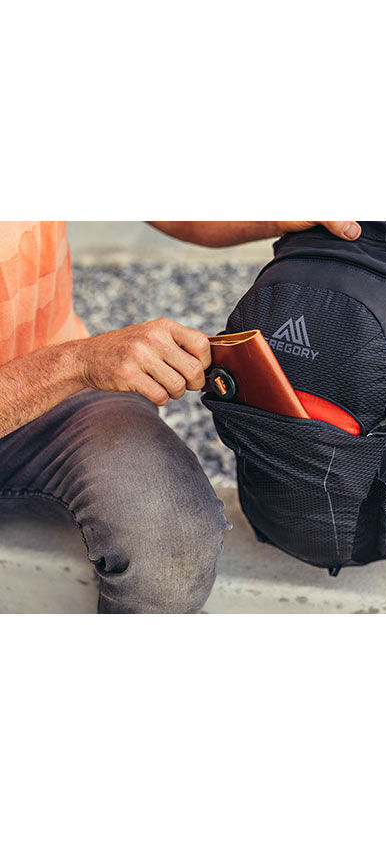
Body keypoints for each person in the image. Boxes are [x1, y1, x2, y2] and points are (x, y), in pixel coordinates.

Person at [0, 221, 362, 613]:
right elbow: (76, 365)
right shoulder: (77, 365)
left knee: (173, 549)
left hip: (58, 394)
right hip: (63, 371)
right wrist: (78, 363)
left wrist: (282, 216)